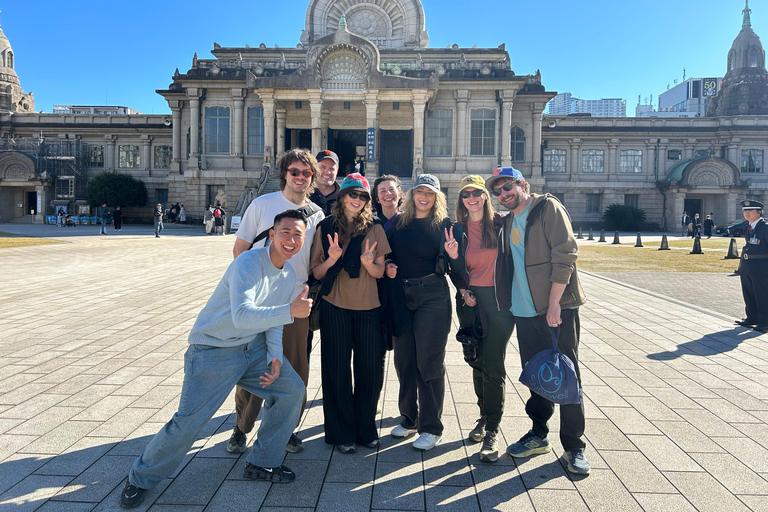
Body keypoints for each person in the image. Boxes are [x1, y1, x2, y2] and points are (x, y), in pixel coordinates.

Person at [119, 210, 312, 509]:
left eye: (298, 234)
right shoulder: (248, 263)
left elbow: (273, 323)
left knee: (291, 390)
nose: (291, 239)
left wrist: (275, 356)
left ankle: (262, 462)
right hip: (213, 350)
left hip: (253, 349)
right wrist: (291, 312)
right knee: (189, 422)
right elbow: (242, 315)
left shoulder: (287, 274)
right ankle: (140, 477)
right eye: (285, 232)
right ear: (272, 235)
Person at [486, 167, 590, 476]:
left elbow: (566, 254)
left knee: (567, 375)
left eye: (509, 187)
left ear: (523, 184)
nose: (504, 194)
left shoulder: (547, 208)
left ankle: (574, 445)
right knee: (538, 375)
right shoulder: (508, 221)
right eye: (499, 191)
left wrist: (555, 303)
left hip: (556, 309)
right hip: (523, 311)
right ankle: (539, 433)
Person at [230, 148, 325, 455]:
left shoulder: (317, 214)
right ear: (284, 173)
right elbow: (240, 251)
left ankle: (287, 428)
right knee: (255, 364)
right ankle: (241, 427)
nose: (299, 177)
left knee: (296, 366)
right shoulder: (262, 205)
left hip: (295, 298)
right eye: (294, 171)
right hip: (260, 297)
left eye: (306, 173)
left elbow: (312, 261)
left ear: (313, 177)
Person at [309, 173, 390, 454]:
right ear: (342, 196)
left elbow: (380, 271)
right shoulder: (327, 226)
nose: (356, 200)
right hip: (335, 304)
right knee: (336, 369)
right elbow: (315, 273)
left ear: (368, 201)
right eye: (352, 194)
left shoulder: (375, 228)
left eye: (362, 196)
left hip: (368, 306)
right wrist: (331, 259)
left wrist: (368, 264)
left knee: (370, 370)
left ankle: (365, 428)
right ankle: (341, 431)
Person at [385, 174, 457, 451]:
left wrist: (453, 255)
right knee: (404, 361)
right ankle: (408, 419)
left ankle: (431, 427)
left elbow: (458, 262)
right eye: (420, 191)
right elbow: (386, 250)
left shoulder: (444, 225)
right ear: (412, 194)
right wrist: (389, 263)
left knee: (429, 362)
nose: (424, 197)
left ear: (437, 197)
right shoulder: (399, 222)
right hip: (402, 295)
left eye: (430, 193)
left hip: (433, 295)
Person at [450, 175, 514, 463]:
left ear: (486, 196)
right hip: (469, 302)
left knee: (494, 364)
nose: (472, 198)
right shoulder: (457, 230)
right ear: (461, 200)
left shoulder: (502, 223)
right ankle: (483, 415)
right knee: (475, 360)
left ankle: (492, 429)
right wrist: (463, 287)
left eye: (477, 192)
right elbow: (454, 270)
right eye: (466, 194)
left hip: (499, 303)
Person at [735, 200, 768, 333]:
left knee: (762, 295)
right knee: (749, 293)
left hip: (762, 267)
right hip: (748, 266)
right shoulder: (748, 227)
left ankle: (764, 322)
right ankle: (752, 318)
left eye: (750, 211)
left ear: (759, 212)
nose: (746, 213)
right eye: (744, 211)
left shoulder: (765, 227)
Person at [309, 150, 340, 216]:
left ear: (337, 171)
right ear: (315, 169)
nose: (327, 172)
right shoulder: (304, 194)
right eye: (323, 167)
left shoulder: (344, 196)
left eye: (331, 169)